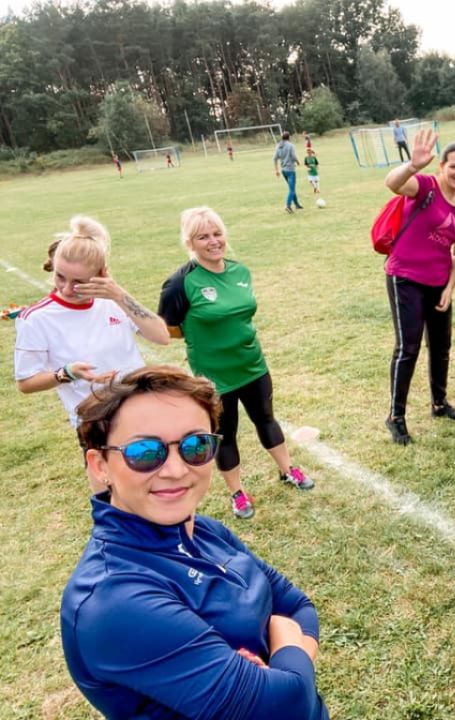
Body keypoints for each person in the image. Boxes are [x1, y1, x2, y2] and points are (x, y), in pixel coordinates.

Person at [61, 365, 330, 720]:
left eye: (196, 445)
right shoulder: (114, 599)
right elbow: (287, 706)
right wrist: (287, 641)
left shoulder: (204, 530)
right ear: (100, 465)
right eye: (145, 452)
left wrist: (288, 666)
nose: (176, 470)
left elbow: (298, 606)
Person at [158, 207, 315, 519]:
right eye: (203, 237)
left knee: (266, 419)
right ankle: (238, 493)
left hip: (252, 364)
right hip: (214, 377)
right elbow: (166, 328)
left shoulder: (239, 271)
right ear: (190, 243)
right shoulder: (180, 283)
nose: (213, 241)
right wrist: (199, 338)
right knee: (226, 434)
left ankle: (287, 470)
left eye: (217, 234)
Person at [14, 216, 169, 431]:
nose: (66, 289)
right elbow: (26, 383)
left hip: (143, 408)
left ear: (101, 273)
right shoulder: (36, 318)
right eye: (60, 277)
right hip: (97, 422)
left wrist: (120, 295)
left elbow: (162, 337)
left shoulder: (113, 301)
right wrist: (67, 373)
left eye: (78, 282)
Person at [381, 129, 455, 445]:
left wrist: (450, 288)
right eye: (454, 166)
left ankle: (439, 403)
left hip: (438, 282)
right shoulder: (425, 186)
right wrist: (412, 165)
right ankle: (395, 416)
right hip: (405, 277)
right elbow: (392, 183)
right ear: (442, 167)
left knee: (441, 345)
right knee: (408, 348)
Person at [273, 130, 303, 213]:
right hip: (290, 170)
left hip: (283, 171)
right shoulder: (290, 145)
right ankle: (288, 205)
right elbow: (293, 156)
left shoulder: (278, 146)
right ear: (289, 137)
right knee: (292, 189)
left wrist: (276, 170)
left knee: (291, 188)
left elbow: (275, 159)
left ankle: (297, 204)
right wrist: (298, 162)